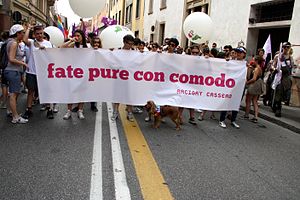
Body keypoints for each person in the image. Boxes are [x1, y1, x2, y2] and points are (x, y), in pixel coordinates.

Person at [22, 24, 54, 119]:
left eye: (41, 33)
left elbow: (52, 57)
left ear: (43, 33)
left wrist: (45, 50)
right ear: (34, 35)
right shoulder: (32, 42)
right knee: (31, 91)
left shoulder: (48, 43)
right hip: (32, 71)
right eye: (37, 34)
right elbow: (24, 40)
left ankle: (49, 109)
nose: (39, 35)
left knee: (46, 91)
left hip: (44, 72)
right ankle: (29, 109)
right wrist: (28, 28)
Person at [4, 24, 28, 124]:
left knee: (14, 93)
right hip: (13, 71)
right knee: (13, 94)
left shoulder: (11, 42)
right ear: (17, 33)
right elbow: (11, 58)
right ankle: (15, 117)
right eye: (22, 32)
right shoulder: (14, 43)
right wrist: (23, 63)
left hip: (12, 71)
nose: (23, 34)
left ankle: (11, 111)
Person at [61, 29, 88, 120]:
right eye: (75, 35)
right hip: (72, 72)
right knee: (70, 92)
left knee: (81, 92)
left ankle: (80, 110)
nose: (77, 37)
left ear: (82, 37)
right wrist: (71, 40)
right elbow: (61, 48)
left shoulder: (87, 47)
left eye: (78, 36)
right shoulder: (72, 46)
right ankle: (69, 111)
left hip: (83, 73)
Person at [219, 46, 247, 128]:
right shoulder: (231, 61)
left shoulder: (245, 64)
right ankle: (221, 120)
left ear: (244, 54)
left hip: (239, 86)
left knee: (236, 103)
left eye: (240, 52)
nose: (238, 54)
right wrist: (226, 62)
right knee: (226, 102)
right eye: (237, 52)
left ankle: (233, 120)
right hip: (229, 85)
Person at [111, 34, 136, 122]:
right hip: (119, 78)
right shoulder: (117, 52)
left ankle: (129, 113)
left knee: (129, 96)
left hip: (130, 79)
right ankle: (115, 112)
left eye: (132, 44)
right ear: (124, 42)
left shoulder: (135, 53)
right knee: (117, 96)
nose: (130, 46)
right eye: (128, 43)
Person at [271, 42, 294, 117]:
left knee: (284, 92)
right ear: (282, 47)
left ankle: (276, 103)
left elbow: (292, 67)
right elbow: (272, 65)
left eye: (288, 47)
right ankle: (278, 108)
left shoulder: (290, 58)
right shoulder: (278, 56)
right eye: (285, 47)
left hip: (286, 77)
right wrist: (275, 69)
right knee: (278, 90)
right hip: (279, 75)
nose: (286, 48)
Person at [244, 56, 263, 123]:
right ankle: (255, 116)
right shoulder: (258, 68)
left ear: (257, 61)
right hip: (258, 85)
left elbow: (254, 78)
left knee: (248, 100)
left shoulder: (257, 69)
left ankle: (246, 114)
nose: (252, 61)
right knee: (254, 101)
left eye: (254, 60)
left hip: (254, 85)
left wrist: (247, 82)